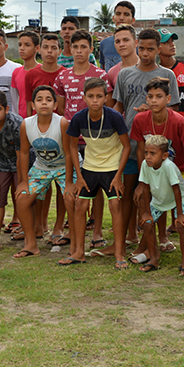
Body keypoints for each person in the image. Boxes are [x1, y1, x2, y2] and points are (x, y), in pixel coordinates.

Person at [113, 28, 180, 247]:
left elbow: (173, 109)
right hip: (131, 146)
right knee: (132, 192)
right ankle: (129, 235)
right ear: (136, 46)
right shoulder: (125, 74)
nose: (145, 53)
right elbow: (119, 106)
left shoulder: (167, 75)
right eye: (141, 48)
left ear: (158, 49)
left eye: (150, 49)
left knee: (159, 194)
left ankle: (161, 236)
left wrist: (149, 111)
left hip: (158, 149)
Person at [65, 78, 131, 268]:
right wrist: (78, 175)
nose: (95, 100)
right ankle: (78, 252)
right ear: (84, 97)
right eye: (91, 96)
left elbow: (126, 147)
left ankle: (119, 254)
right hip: (90, 168)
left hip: (111, 169)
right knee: (80, 205)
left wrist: (119, 175)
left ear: (106, 98)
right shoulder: (79, 118)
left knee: (116, 205)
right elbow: (71, 146)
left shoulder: (114, 117)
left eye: (99, 96)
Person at [57, 30, 111, 252]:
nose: (79, 51)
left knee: (95, 187)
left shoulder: (101, 76)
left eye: (83, 47)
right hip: (72, 139)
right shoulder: (62, 76)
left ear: (91, 49)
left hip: (95, 140)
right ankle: (72, 229)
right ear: (70, 49)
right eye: (75, 47)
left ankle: (97, 231)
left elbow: (105, 107)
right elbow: (61, 108)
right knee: (71, 183)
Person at [128, 78, 184, 264]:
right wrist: (142, 182)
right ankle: (149, 245)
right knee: (146, 199)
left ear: (168, 98)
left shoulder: (179, 121)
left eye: (159, 96)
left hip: (180, 169)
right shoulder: (140, 119)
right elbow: (141, 151)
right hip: (153, 171)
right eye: (150, 97)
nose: (154, 100)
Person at [12, 85, 69, 259]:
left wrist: (72, 182)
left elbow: (69, 153)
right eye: (39, 99)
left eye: (48, 100)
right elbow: (23, 153)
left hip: (64, 167)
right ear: (33, 105)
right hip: (41, 167)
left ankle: (65, 231)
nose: (44, 103)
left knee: (71, 197)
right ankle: (31, 244)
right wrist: (22, 181)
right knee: (22, 198)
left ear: (55, 105)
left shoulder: (62, 123)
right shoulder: (26, 124)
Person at [135, 134, 184, 274]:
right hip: (160, 198)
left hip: (179, 198)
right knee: (147, 224)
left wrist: (179, 214)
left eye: (152, 153)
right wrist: (147, 212)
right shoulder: (145, 165)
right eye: (146, 153)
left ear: (165, 155)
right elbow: (146, 188)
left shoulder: (168, 166)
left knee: (181, 226)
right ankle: (153, 259)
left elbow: (177, 190)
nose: (148, 156)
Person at [25, 33, 66, 116]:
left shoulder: (66, 75)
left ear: (59, 52)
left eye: (54, 48)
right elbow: (29, 104)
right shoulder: (30, 75)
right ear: (39, 50)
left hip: (61, 124)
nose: (49, 51)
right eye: (45, 47)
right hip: (38, 123)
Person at [156, 29, 184, 112]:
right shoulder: (154, 72)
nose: (172, 44)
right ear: (157, 48)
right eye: (166, 42)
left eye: (172, 41)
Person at [99, 0, 136, 70]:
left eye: (126, 14)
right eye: (118, 14)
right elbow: (103, 71)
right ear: (113, 18)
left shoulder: (141, 44)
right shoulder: (104, 44)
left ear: (133, 20)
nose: (121, 18)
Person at [11, 31, 40, 118]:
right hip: (21, 120)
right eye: (20, 45)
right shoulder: (16, 72)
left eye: (27, 45)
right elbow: (14, 100)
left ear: (37, 48)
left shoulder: (42, 71)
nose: (22, 48)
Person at [106, 25, 140, 92]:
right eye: (118, 41)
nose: (121, 44)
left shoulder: (148, 67)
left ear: (136, 43)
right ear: (115, 46)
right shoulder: (112, 73)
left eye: (126, 40)